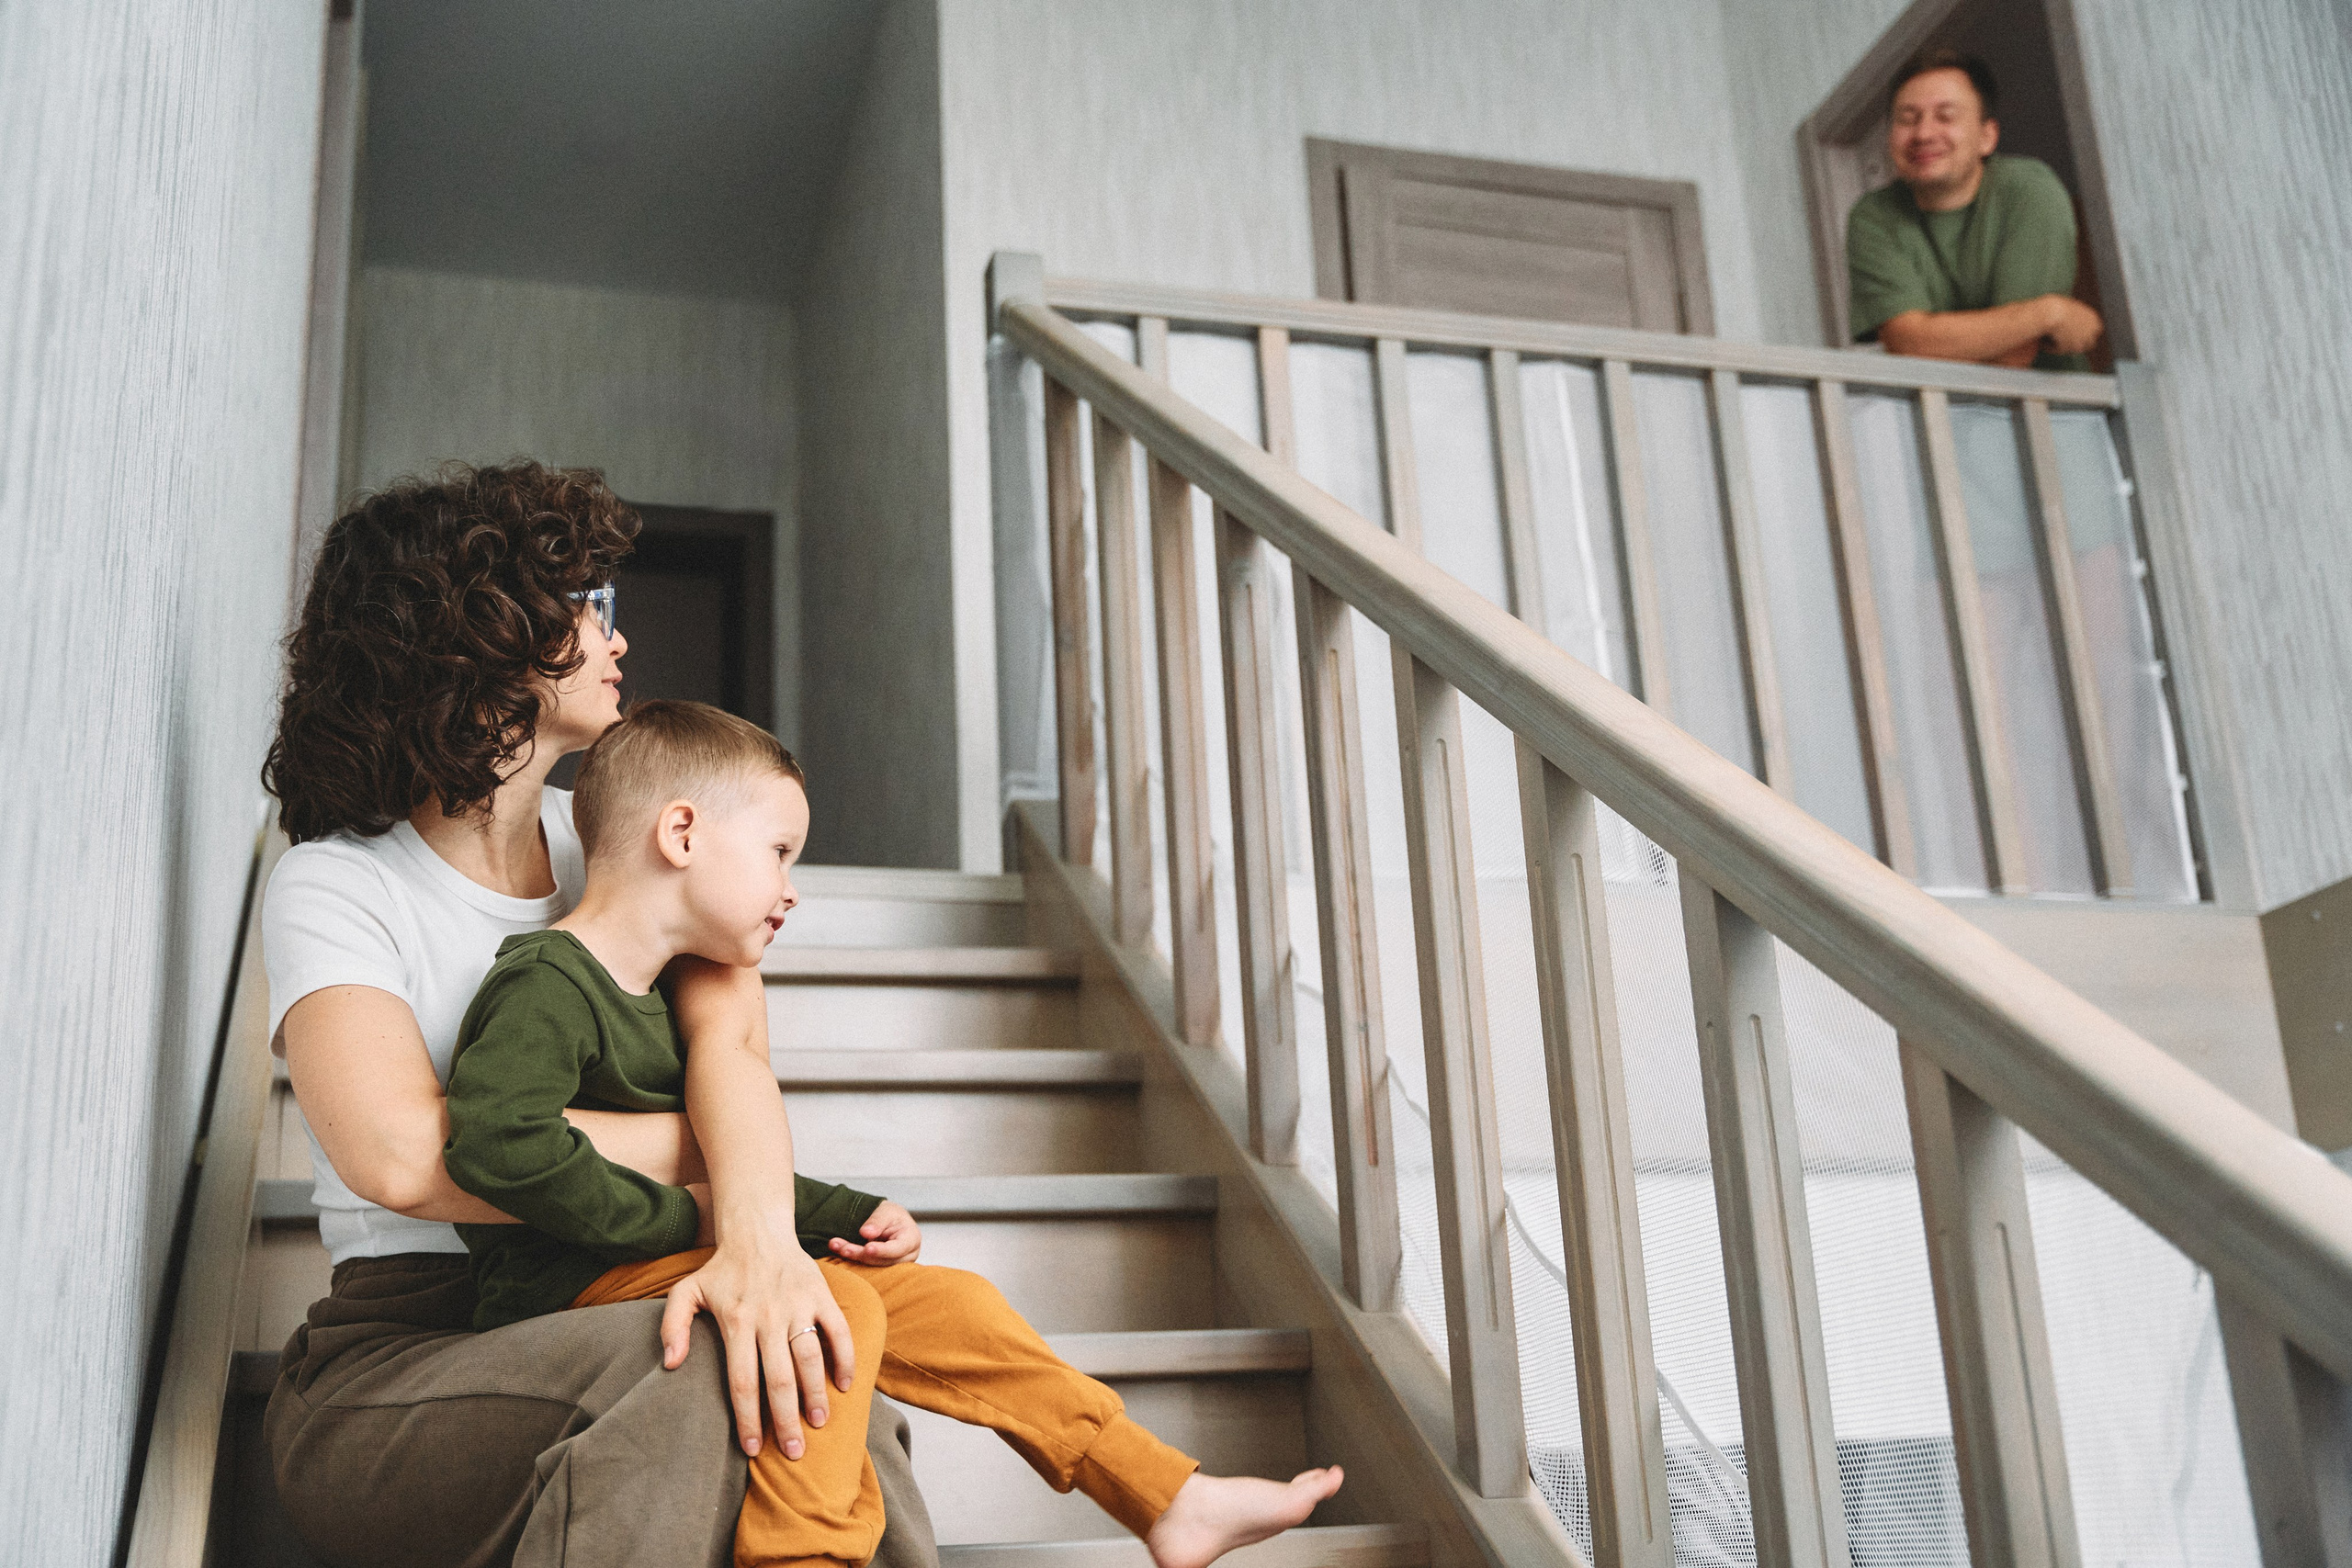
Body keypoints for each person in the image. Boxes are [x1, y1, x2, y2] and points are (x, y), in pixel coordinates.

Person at [441, 698, 1345, 1568]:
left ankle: (1160, 1493)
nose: (791, 890)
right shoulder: (547, 981)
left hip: (657, 1263)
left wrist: (845, 1210)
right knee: (836, 1308)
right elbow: (499, 1145)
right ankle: (803, 1556)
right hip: (562, 1293)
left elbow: (727, 1175)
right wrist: (699, 1222)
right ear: (680, 836)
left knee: (949, 1300)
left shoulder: (678, 991)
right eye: (780, 852)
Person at [258, 461, 939, 1568]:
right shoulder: (339, 884)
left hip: (608, 1287)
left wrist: (765, 1245)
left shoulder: (635, 847)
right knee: (695, 1361)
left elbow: (740, 1065)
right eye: (590, 606)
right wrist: (721, 1180)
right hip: (402, 1354)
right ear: (485, 630)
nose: (619, 640)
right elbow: (400, 1159)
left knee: (814, 1362)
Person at [1846, 46, 2103, 370]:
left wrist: (1929, 338)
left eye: (1946, 116)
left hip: (2053, 414)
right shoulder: (1873, 215)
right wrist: (2046, 313)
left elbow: (2013, 354)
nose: (1923, 133)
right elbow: (1906, 341)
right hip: (1933, 414)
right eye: (1907, 119)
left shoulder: (2028, 189)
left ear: (1987, 136)